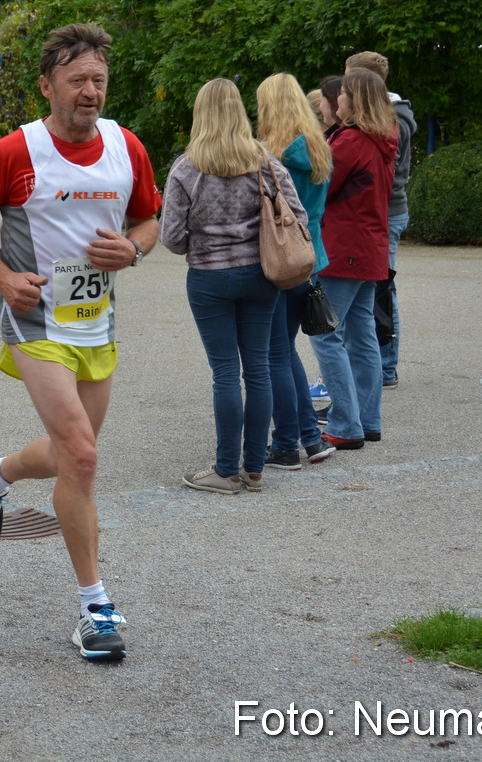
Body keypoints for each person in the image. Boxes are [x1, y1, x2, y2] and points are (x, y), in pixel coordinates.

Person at [0, 23, 161, 662]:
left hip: (97, 319)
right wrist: (4, 276)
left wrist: (134, 250)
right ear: (48, 86)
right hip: (36, 320)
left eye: (98, 80)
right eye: (77, 81)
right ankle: (95, 607)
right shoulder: (16, 151)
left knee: (76, 453)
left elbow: (148, 221)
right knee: (83, 457)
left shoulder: (128, 147)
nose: (90, 92)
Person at [161, 79, 307, 495]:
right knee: (257, 369)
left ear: (200, 114)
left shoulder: (187, 168)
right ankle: (255, 469)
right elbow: (297, 215)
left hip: (208, 278)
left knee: (225, 372)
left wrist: (204, 240)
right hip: (261, 276)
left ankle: (225, 471)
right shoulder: (264, 161)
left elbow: (171, 238)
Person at [311, 68, 398, 451]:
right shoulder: (382, 140)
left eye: (343, 93)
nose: (338, 98)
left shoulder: (350, 141)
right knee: (362, 336)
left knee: (325, 333)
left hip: (344, 249)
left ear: (355, 100)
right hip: (370, 249)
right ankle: (367, 419)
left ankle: (346, 424)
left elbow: (319, 186)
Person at [255, 74, 336, 469]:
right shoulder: (320, 147)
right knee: (284, 352)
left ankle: (286, 442)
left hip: (281, 256)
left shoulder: (276, 154)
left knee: (273, 354)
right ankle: (310, 437)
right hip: (310, 256)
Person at [345, 51, 417, 390]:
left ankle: (386, 368)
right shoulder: (387, 115)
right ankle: (378, 367)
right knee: (376, 292)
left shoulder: (393, 120)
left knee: (382, 293)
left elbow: (384, 175)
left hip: (386, 212)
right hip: (384, 211)